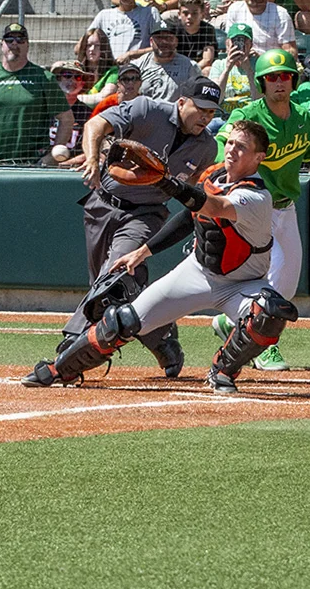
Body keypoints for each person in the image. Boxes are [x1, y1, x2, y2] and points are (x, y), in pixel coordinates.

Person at [21, 120, 301, 395]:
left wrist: (168, 184)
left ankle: (223, 370)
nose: (231, 150)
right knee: (124, 321)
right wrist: (142, 252)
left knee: (269, 313)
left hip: (243, 283)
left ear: (259, 157)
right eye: (229, 143)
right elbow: (188, 217)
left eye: (241, 147)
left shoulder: (257, 196)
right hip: (198, 273)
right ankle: (61, 368)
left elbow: (212, 206)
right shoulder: (214, 176)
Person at [212, 48, 310, 370]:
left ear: (294, 80)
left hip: (286, 208)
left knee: (286, 283)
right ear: (262, 82)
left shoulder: (302, 117)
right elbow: (220, 149)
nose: (279, 82)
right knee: (268, 282)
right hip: (254, 207)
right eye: (271, 77)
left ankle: (232, 325)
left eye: (284, 75)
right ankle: (260, 343)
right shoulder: (249, 116)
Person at [51, 77, 219, 378]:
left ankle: (72, 344)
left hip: (147, 214)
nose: (206, 117)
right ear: (182, 102)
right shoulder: (146, 109)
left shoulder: (207, 146)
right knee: (114, 290)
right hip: (102, 203)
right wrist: (92, 158)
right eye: (201, 108)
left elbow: (187, 191)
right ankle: (162, 335)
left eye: (212, 112)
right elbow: (95, 126)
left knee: (114, 279)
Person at [0, 22, 73, 164]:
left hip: (33, 164)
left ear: (27, 45)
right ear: (2, 44)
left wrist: (52, 155)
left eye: (20, 39)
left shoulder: (44, 78)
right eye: (9, 39)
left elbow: (66, 119)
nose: (14, 43)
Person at [89, 0, 161, 63]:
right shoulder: (104, 15)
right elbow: (80, 47)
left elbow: (160, 47)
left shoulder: (150, 13)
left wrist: (131, 55)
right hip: (111, 69)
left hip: (140, 68)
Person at [224, 0, 298, 57]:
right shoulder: (234, 9)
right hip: (241, 61)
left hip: (270, 65)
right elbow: (229, 43)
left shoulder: (280, 13)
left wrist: (262, 58)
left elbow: (290, 51)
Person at [135, 18, 201, 101]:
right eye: (159, 38)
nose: (163, 42)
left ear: (176, 41)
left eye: (168, 38)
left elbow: (196, 97)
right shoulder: (138, 65)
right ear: (151, 41)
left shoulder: (190, 67)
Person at [208, 22, 261, 119]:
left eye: (244, 42)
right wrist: (227, 69)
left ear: (251, 45)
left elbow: (259, 100)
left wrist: (249, 70)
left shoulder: (258, 65)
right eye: (235, 42)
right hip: (223, 117)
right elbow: (216, 99)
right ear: (227, 44)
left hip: (249, 116)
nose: (240, 46)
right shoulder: (218, 65)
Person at [175, 0, 218, 75]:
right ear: (179, 14)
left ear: (202, 14)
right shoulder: (173, 30)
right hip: (177, 69)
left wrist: (189, 71)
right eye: (185, 13)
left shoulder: (208, 29)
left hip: (198, 69)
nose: (189, 17)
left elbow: (207, 60)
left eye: (194, 13)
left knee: (208, 70)